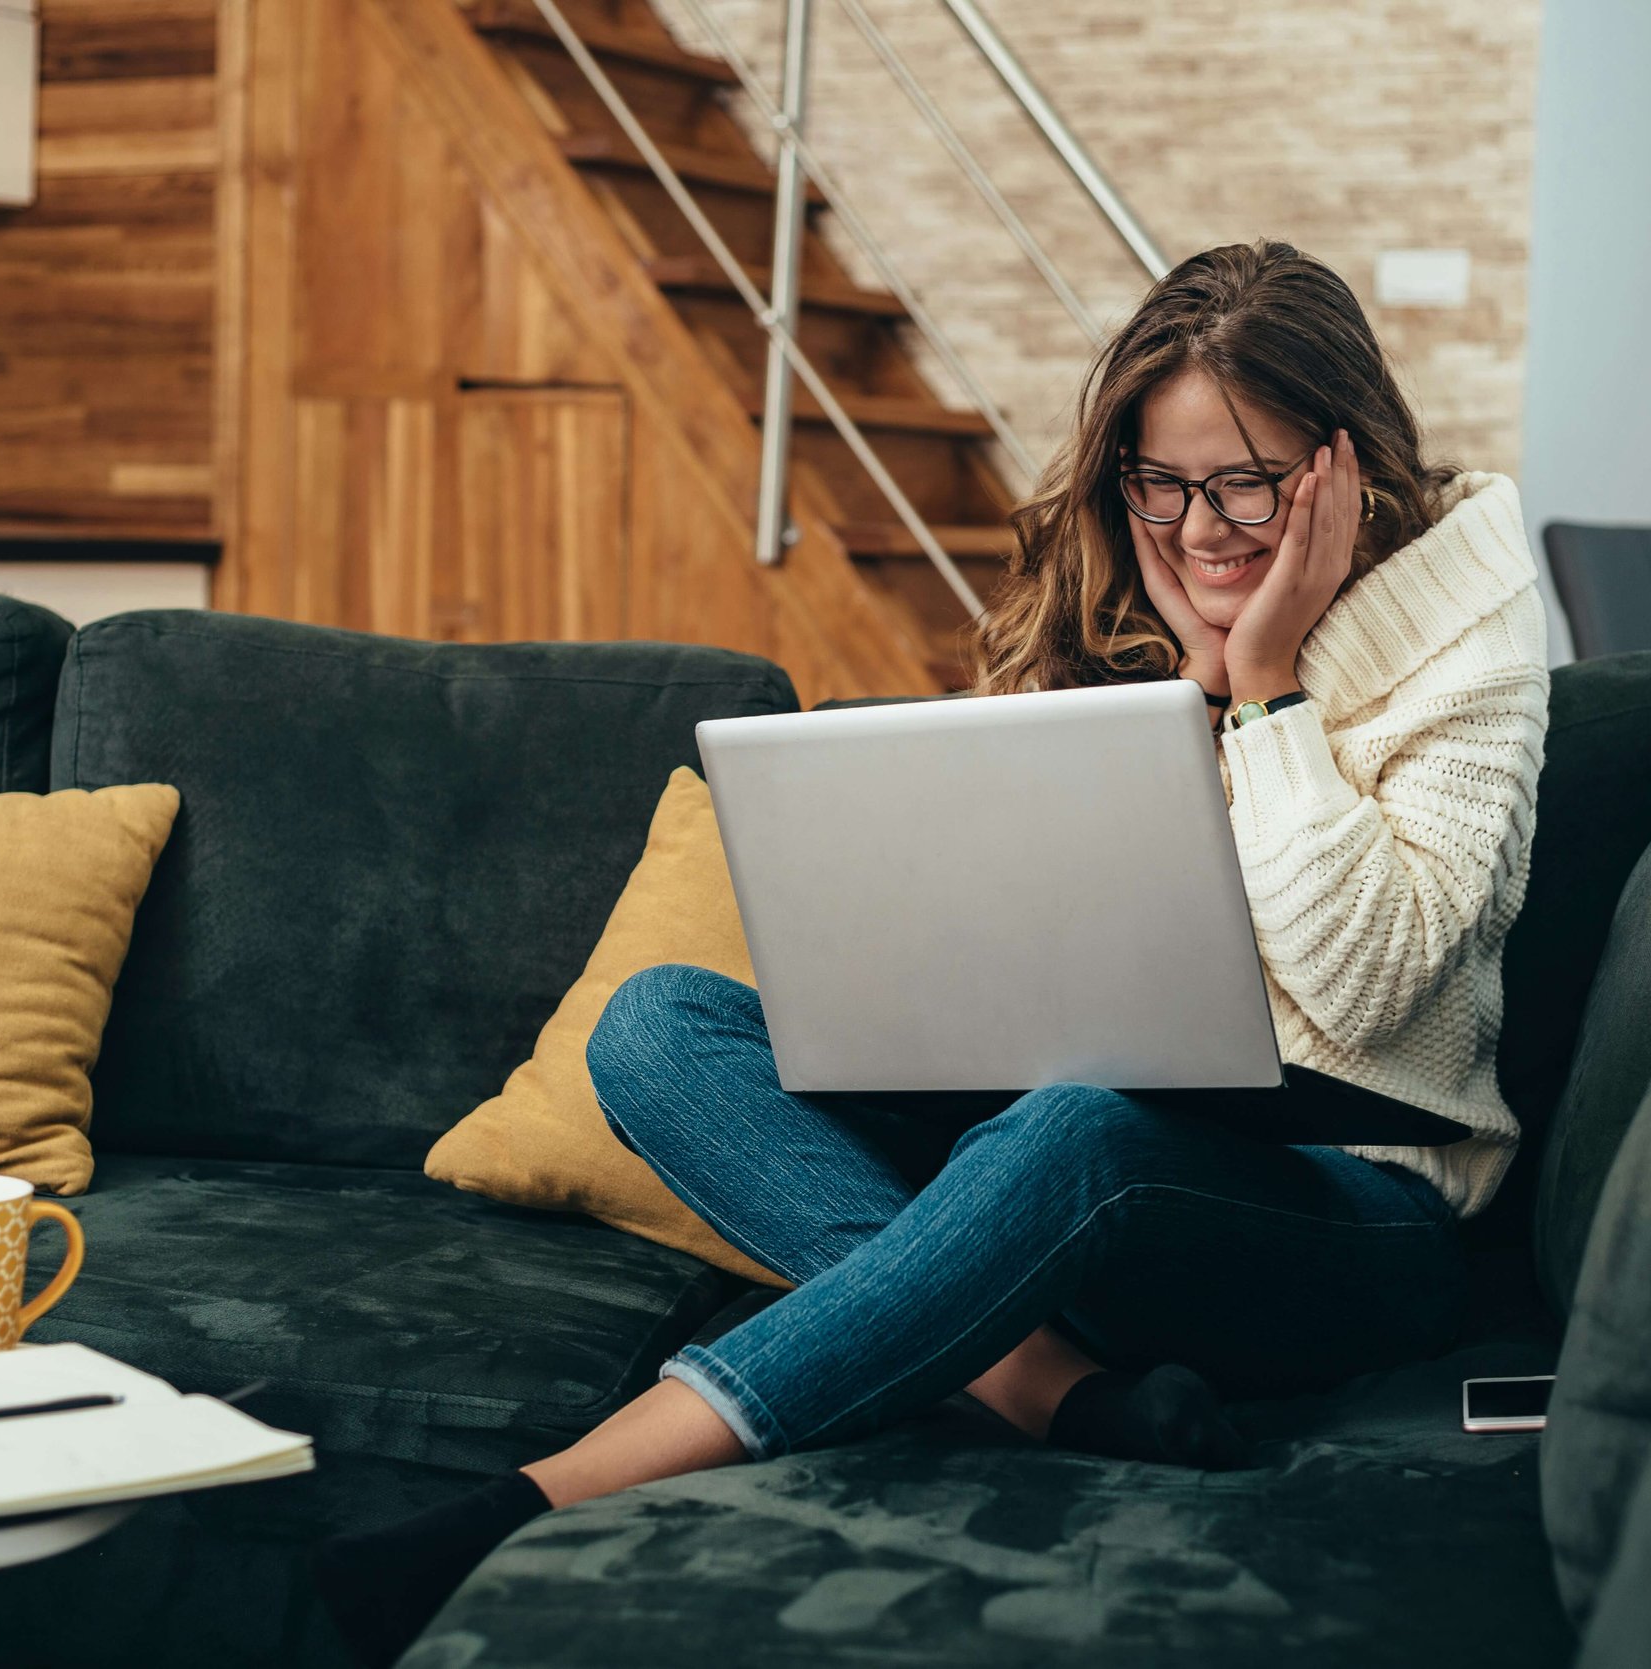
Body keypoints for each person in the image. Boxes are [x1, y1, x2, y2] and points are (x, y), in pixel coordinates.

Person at [315, 240, 1551, 1665]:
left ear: (1346, 470)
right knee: (656, 1026)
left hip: (1354, 1214)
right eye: (1162, 481)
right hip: (1062, 1167)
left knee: (1079, 1128)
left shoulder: (1469, 641)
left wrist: (1265, 695)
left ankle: (525, 1503)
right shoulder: (1126, 612)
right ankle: (1053, 1386)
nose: (1202, 528)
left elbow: (1365, 976)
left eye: (1248, 483)